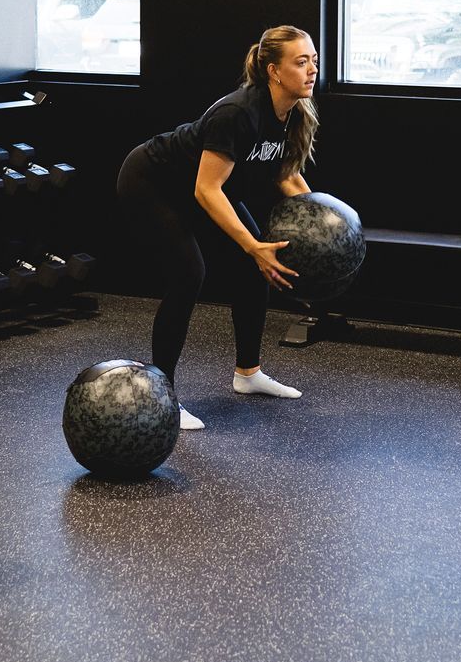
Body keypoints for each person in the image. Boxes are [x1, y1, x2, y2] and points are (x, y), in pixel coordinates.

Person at [117, 25, 319, 429]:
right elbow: (207, 190)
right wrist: (251, 245)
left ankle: (248, 374)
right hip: (153, 184)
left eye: (314, 60)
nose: (312, 69)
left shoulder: (291, 113)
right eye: (301, 62)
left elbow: (288, 179)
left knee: (256, 264)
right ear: (274, 71)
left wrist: (326, 226)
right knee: (189, 274)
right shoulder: (237, 113)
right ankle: (165, 397)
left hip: (200, 190)